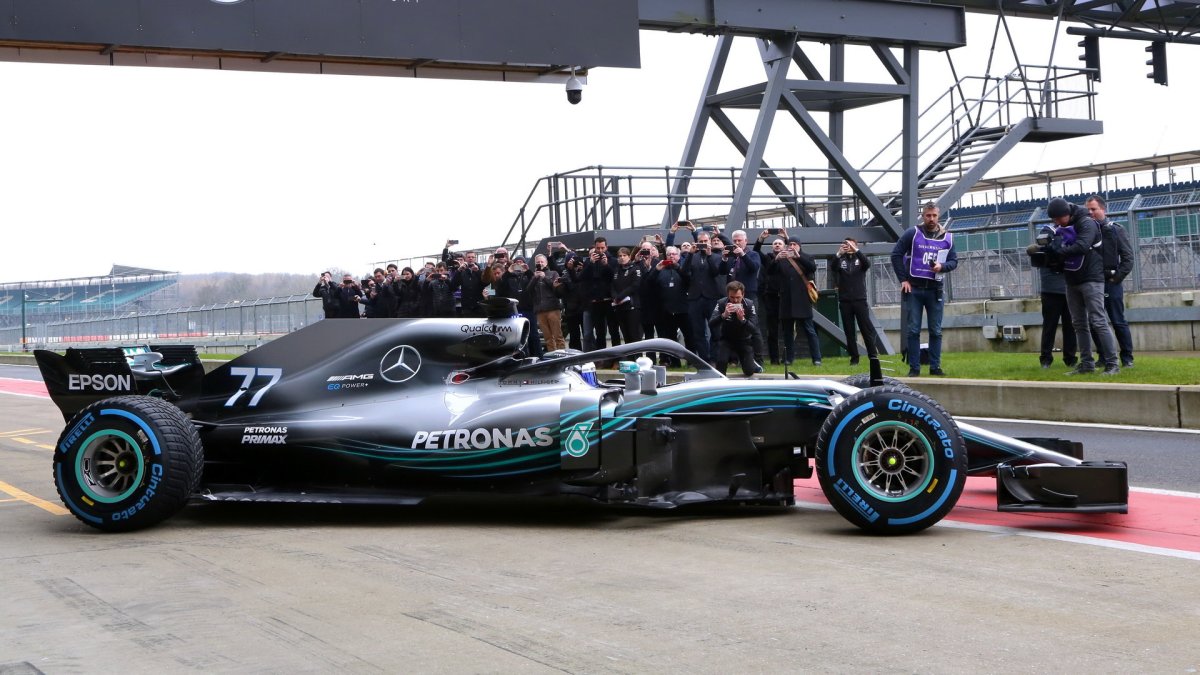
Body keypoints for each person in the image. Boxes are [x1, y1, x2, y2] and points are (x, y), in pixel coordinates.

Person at [1044, 197, 1120, 376]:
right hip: (1072, 280)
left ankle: (1112, 363)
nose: (1056, 223)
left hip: (1091, 278)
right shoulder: (1062, 226)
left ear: (1066, 214)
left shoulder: (1087, 223)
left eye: (1058, 219)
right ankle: (1087, 363)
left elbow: (1082, 246)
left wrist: (1058, 251)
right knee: (1079, 324)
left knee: (1099, 321)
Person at [890, 202, 957, 376]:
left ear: (938, 215)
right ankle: (914, 368)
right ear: (923, 216)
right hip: (914, 289)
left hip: (935, 289)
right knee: (913, 330)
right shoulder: (912, 233)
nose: (931, 219)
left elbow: (954, 261)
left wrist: (941, 266)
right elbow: (896, 254)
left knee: (936, 330)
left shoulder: (947, 237)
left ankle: (935, 367)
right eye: (928, 215)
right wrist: (903, 279)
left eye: (934, 215)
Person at [1086, 195, 1136, 368]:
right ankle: (1103, 357)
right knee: (1094, 322)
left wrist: (1116, 278)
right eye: (1088, 210)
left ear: (1103, 209)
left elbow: (1128, 258)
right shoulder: (1086, 231)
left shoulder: (1116, 229)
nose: (1090, 213)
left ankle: (1127, 358)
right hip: (1092, 283)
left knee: (1117, 320)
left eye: (1094, 209)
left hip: (1110, 282)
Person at [772, 239, 821, 366]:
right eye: (790, 245)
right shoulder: (782, 258)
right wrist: (776, 259)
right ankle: (789, 358)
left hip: (802, 300)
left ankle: (817, 359)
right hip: (786, 300)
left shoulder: (806, 257)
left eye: (795, 244)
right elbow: (770, 272)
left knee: (809, 330)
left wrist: (798, 257)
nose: (792, 247)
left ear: (799, 246)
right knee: (787, 332)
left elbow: (812, 268)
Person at [832, 237, 879, 366]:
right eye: (846, 244)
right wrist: (839, 253)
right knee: (849, 330)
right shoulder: (841, 259)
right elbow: (833, 267)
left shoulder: (860, 259)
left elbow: (867, 264)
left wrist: (856, 250)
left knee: (865, 329)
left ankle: (872, 355)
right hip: (845, 300)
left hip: (860, 299)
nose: (848, 247)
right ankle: (854, 357)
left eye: (851, 244)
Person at [709, 281, 761, 377]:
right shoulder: (721, 303)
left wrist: (743, 320)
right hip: (726, 339)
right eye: (732, 297)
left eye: (738, 297)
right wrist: (723, 315)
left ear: (743, 294)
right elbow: (711, 323)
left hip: (744, 340)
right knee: (720, 368)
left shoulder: (749, 304)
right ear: (728, 295)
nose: (735, 301)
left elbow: (754, 329)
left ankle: (753, 363)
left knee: (749, 371)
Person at [1037, 260, 1077, 369]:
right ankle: (1046, 358)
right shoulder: (1046, 246)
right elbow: (1032, 251)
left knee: (1070, 327)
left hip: (1069, 289)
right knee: (1049, 327)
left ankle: (1070, 358)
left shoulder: (1069, 245)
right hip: (1050, 290)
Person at [525, 253, 565, 351]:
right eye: (538, 262)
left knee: (558, 336)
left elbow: (556, 288)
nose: (540, 264)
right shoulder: (533, 276)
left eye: (542, 262)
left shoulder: (553, 273)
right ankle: (552, 359)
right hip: (540, 310)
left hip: (553, 309)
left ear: (546, 263)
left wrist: (544, 277)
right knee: (548, 339)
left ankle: (562, 357)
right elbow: (528, 291)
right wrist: (535, 277)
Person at [611, 247, 645, 345]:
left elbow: (635, 286)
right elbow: (612, 286)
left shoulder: (635, 268)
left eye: (624, 255)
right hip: (620, 307)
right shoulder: (617, 270)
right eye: (620, 256)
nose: (622, 258)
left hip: (632, 307)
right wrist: (615, 297)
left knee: (634, 335)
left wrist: (620, 297)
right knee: (626, 336)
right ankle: (629, 359)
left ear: (629, 256)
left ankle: (637, 358)